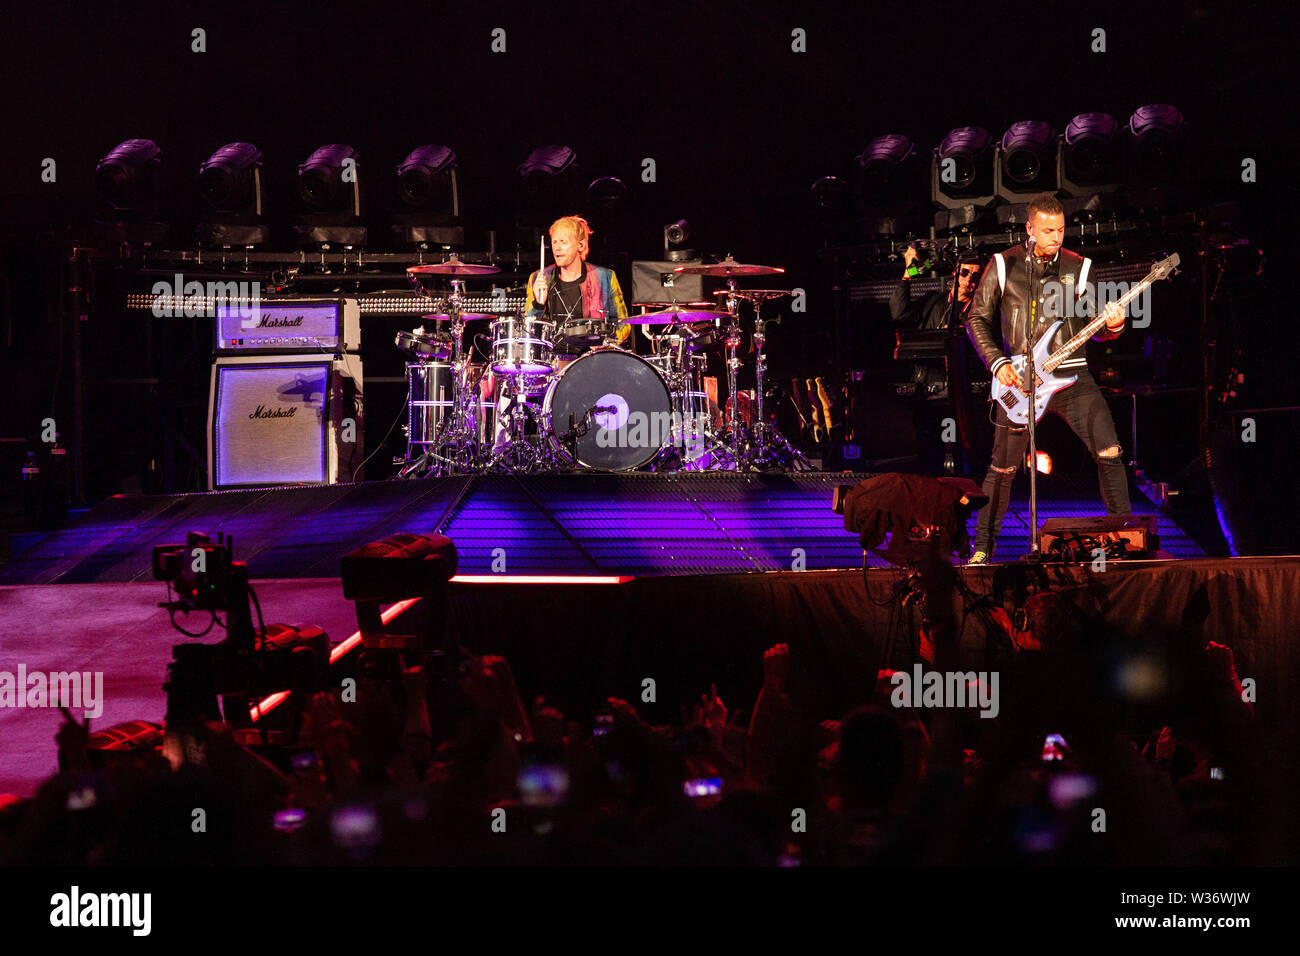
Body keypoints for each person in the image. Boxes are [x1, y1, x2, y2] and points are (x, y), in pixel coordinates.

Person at [965, 193, 1129, 564]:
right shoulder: (1003, 264)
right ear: (1030, 228)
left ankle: (1126, 538)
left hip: (1072, 376)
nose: (1056, 237)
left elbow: (1093, 325)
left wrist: (1114, 326)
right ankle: (981, 549)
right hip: (1020, 382)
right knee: (1002, 468)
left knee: (1110, 452)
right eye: (1048, 230)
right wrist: (996, 362)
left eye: (1061, 229)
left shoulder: (1079, 266)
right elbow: (976, 318)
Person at [890, 248, 986, 473]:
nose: (968, 280)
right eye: (964, 273)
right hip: (928, 390)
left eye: (975, 276)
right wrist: (908, 273)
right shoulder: (933, 301)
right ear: (955, 272)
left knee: (961, 452)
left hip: (962, 393)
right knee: (929, 451)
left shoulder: (979, 311)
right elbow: (898, 313)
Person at [525, 215, 630, 355]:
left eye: (563, 241)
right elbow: (527, 330)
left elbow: (624, 323)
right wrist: (538, 305)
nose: (557, 247)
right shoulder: (539, 278)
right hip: (552, 363)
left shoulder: (604, 277)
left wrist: (603, 343)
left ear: (580, 245)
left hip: (591, 360)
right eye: (554, 241)